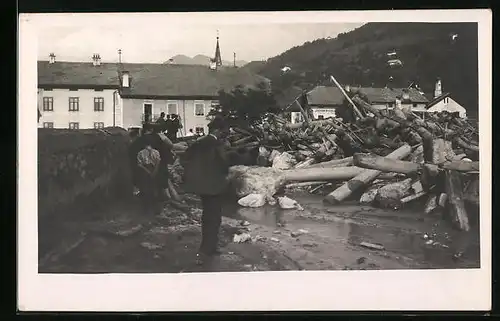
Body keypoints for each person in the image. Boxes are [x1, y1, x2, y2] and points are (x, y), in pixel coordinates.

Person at [180, 116, 242, 265]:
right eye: (224, 130)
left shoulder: (199, 143)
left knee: (207, 216)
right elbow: (223, 163)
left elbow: (184, 159)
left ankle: (207, 246)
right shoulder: (216, 144)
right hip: (214, 186)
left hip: (202, 186)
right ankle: (208, 248)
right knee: (214, 217)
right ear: (217, 130)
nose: (226, 132)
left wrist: (194, 175)